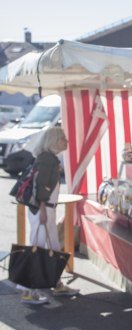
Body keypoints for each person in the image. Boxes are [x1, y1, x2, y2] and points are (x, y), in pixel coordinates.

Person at [19, 127, 79, 304]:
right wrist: (43, 209)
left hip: (45, 209)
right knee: (38, 247)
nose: (66, 142)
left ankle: (55, 282)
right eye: (63, 138)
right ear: (54, 141)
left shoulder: (48, 158)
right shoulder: (47, 159)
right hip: (42, 209)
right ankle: (28, 291)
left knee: (51, 245)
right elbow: (41, 186)